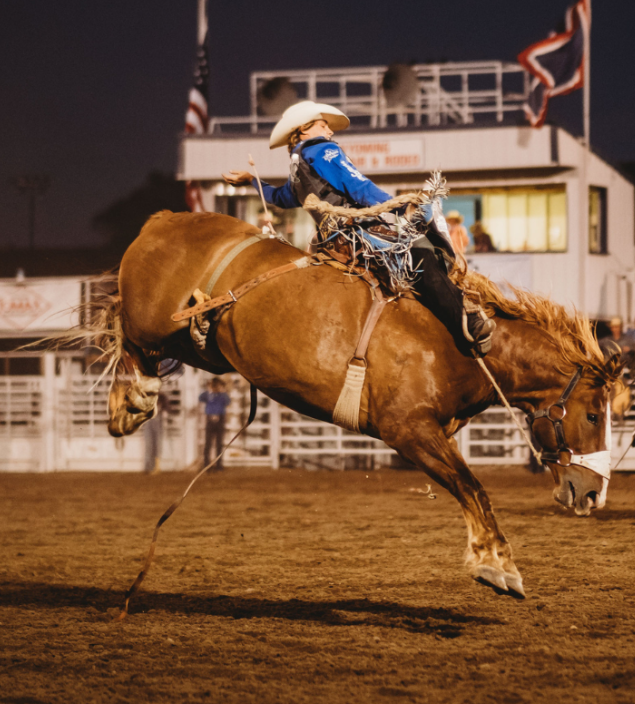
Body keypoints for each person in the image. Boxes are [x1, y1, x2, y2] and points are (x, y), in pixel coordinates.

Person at [222, 100, 494, 356]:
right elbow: (357, 185)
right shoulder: (322, 150)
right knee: (421, 253)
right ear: (303, 130)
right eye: (322, 124)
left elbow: (281, 198)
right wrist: (399, 207)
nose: (328, 129)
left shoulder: (298, 165)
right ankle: (465, 324)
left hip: (332, 240)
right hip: (357, 232)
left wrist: (251, 182)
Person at [199, 377, 230, 470]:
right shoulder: (209, 395)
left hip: (219, 419)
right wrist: (209, 390)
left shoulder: (222, 396)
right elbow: (200, 398)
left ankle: (218, 464)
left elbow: (227, 401)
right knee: (209, 443)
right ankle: (207, 464)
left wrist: (222, 391)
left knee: (219, 443)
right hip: (211, 419)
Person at [143, 391, 170, 474]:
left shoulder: (161, 396)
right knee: (149, 444)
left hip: (157, 418)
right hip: (150, 418)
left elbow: (167, 408)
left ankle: (155, 466)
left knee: (156, 444)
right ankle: (149, 466)